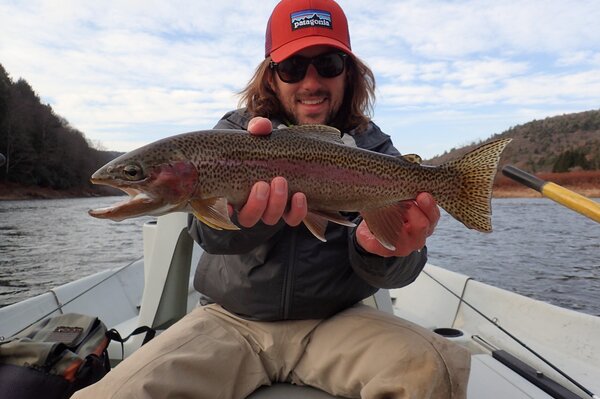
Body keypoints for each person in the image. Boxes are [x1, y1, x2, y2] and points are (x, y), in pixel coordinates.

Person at [73, 0, 470, 398]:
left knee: (438, 370)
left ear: (349, 73)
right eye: (294, 67)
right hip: (231, 322)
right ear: (271, 75)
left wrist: (383, 251)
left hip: (338, 322)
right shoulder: (234, 133)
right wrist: (248, 218)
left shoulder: (376, 150)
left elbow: (406, 267)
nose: (311, 82)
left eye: (328, 63)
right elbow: (207, 236)